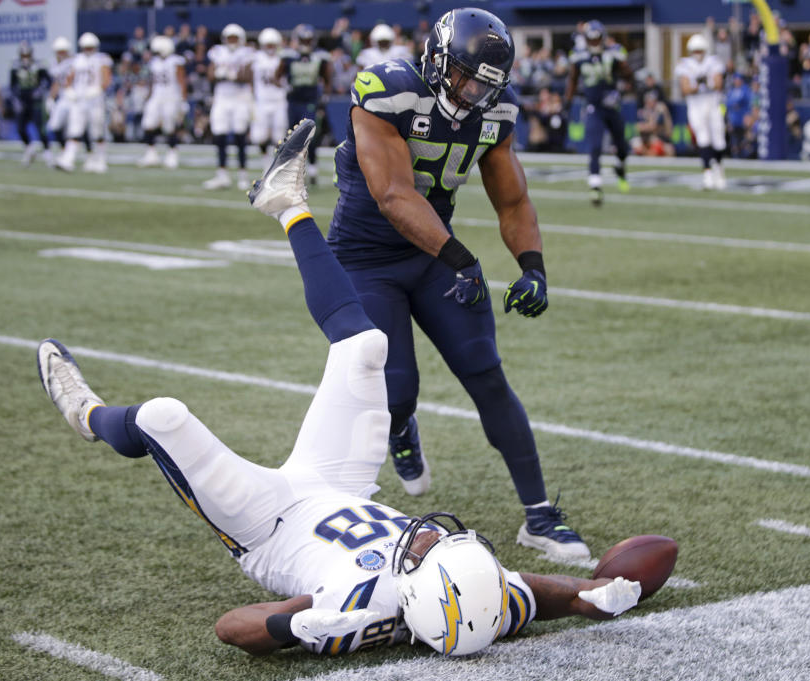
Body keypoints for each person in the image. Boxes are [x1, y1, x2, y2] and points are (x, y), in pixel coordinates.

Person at [36, 120, 644, 657]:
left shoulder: (360, 610)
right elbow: (560, 593)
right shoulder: (481, 595)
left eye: (434, 549)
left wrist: (320, 626)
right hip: (345, 484)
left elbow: (232, 627)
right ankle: (285, 202)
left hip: (266, 523)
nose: (436, 534)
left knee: (162, 418)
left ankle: (87, 415)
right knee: (366, 346)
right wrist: (602, 594)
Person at [327, 8, 589, 560]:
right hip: (365, 258)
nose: (471, 93)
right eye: (464, 77)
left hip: (434, 253)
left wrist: (533, 266)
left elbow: (512, 198)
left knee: (485, 371)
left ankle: (540, 516)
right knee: (396, 390)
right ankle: (401, 427)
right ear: (438, 59)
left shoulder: (495, 111)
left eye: (485, 84)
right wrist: (462, 258)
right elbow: (394, 195)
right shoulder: (386, 90)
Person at [564, 20, 633, 207]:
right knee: (594, 146)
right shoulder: (578, 56)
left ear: (603, 38)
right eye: (591, 39)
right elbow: (572, 79)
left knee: (622, 146)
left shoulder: (614, 52)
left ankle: (619, 166)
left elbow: (628, 75)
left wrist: (622, 79)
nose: (594, 43)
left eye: (597, 39)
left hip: (612, 105)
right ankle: (595, 186)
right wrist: (567, 103)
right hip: (593, 105)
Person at [275, 24, 331, 185]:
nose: (306, 42)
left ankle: (312, 167)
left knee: (310, 134)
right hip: (293, 100)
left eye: (308, 39)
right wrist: (284, 86)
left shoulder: (319, 56)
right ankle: (293, 170)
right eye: (303, 39)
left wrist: (325, 95)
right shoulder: (289, 56)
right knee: (293, 136)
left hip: (310, 100)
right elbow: (277, 76)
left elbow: (327, 78)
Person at [203, 24, 254, 191]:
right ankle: (222, 174)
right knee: (219, 135)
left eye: (235, 38)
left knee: (240, 136)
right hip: (222, 98)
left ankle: (242, 175)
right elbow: (210, 74)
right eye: (229, 38)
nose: (232, 41)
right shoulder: (218, 51)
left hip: (240, 99)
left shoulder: (246, 52)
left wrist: (230, 75)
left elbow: (247, 75)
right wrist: (219, 74)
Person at [675, 33, 726, 190]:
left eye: (700, 50)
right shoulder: (685, 65)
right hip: (696, 105)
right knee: (703, 139)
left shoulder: (713, 62)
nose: (698, 54)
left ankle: (718, 169)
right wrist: (698, 85)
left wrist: (704, 84)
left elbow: (718, 83)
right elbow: (685, 89)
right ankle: (708, 174)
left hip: (712, 103)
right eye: (695, 50)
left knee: (719, 139)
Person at [56, 32, 112, 173]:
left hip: (96, 101)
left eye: (90, 47)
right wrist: (69, 90)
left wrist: (98, 89)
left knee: (97, 131)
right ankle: (68, 159)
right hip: (79, 101)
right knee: (74, 130)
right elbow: (68, 78)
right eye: (86, 47)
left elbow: (106, 79)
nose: (88, 50)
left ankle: (100, 160)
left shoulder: (101, 59)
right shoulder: (77, 60)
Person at [136, 35, 187, 170]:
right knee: (148, 123)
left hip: (171, 96)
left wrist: (183, 100)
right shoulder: (155, 62)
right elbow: (153, 82)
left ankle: (172, 154)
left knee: (169, 126)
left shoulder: (176, 61)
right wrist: (148, 96)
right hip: (157, 97)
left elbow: (182, 81)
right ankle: (151, 154)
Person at [247, 28, 288, 166]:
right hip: (262, 101)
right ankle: (266, 163)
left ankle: (277, 165)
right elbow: (248, 75)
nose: (270, 48)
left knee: (280, 136)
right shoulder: (256, 58)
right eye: (268, 44)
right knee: (259, 136)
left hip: (279, 100)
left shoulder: (283, 57)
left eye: (272, 44)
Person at [10, 41, 51, 166]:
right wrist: (16, 99)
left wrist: (40, 91)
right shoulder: (15, 66)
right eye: (23, 55)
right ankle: (29, 150)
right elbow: (13, 85)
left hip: (36, 101)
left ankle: (47, 153)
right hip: (23, 100)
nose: (25, 58)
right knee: (20, 128)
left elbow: (47, 81)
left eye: (27, 55)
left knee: (40, 128)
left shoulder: (39, 65)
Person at [45, 37, 74, 167]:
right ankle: (63, 152)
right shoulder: (54, 64)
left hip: (75, 98)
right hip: (63, 98)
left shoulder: (74, 62)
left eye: (63, 51)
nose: (61, 54)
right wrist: (51, 98)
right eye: (59, 51)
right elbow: (56, 82)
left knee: (75, 129)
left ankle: (91, 155)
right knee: (54, 126)